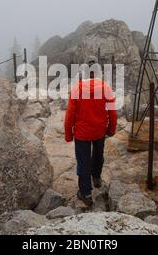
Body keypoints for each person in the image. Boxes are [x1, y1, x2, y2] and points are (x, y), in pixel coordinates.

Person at [64, 56, 117, 206]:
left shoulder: (77, 88)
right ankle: (97, 178)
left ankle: (86, 193)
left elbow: (69, 115)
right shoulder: (105, 87)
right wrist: (111, 129)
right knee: (98, 155)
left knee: (83, 161)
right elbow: (112, 112)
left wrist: (68, 135)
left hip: (82, 133)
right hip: (99, 130)